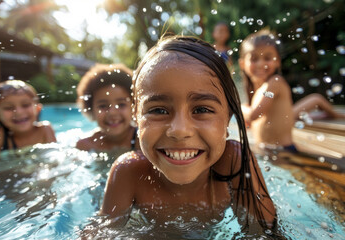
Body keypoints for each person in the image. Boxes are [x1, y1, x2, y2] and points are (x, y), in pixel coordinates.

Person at [93, 36, 276, 236]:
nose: (180, 130)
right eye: (159, 111)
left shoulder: (234, 162)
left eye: (202, 109)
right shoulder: (128, 172)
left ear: (227, 119)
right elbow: (100, 233)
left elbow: (265, 233)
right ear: (137, 117)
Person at [239, 30, 345, 152]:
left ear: (277, 61)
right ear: (242, 64)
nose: (260, 64)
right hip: (269, 152)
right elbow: (315, 99)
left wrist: (241, 107)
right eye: (254, 59)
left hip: (284, 152)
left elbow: (254, 114)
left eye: (267, 58)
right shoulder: (263, 90)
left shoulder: (274, 84)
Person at [76, 63, 138, 152]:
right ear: (91, 109)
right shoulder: (85, 145)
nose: (112, 112)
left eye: (121, 104)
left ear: (134, 107)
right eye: (103, 106)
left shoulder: (141, 142)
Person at [0, 80, 56, 152]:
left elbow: (54, 158)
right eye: (8, 108)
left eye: (26, 105)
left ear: (38, 109)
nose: (19, 112)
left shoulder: (45, 130)